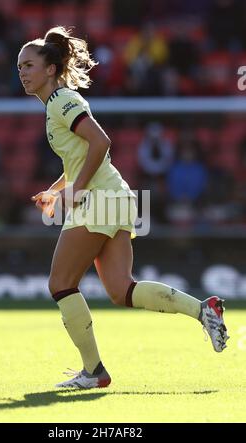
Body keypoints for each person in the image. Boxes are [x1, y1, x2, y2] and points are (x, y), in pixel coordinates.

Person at [17, 26, 229, 390]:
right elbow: (80, 157)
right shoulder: (58, 104)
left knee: (61, 283)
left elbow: (101, 142)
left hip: (100, 199)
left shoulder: (61, 103)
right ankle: (203, 309)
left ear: (50, 69)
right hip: (115, 197)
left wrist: (77, 190)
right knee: (121, 290)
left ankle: (93, 371)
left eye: (29, 65)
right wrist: (57, 190)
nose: (22, 71)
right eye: (19, 66)